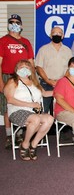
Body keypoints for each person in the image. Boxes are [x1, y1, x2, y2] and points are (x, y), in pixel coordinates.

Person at [4, 60, 54, 161]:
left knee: (49, 119)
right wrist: (30, 104)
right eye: (22, 67)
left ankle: (33, 145)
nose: (25, 69)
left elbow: (44, 94)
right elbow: (10, 99)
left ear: (31, 70)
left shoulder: (35, 82)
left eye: (27, 67)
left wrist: (61, 92)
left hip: (33, 112)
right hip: (17, 111)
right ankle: (25, 144)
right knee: (35, 119)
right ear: (16, 69)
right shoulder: (13, 81)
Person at [0, 14, 35, 149]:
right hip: (7, 77)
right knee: (7, 107)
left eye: (17, 22)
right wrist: (0, 83)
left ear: (21, 26)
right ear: (8, 24)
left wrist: (33, 81)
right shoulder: (3, 41)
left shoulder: (26, 42)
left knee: (22, 105)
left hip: (24, 78)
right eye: (11, 22)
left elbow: (31, 63)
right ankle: (9, 136)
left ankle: (19, 134)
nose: (14, 24)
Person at [35, 26, 73, 114]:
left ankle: (59, 127)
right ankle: (44, 126)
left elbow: (70, 68)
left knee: (63, 109)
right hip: (46, 83)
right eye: (54, 33)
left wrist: (62, 81)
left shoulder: (67, 50)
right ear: (50, 35)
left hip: (62, 84)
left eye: (59, 33)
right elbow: (39, 67)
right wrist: (48, 80)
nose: (57, 35)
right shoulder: (43, 49)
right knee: (43, 109)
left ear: (63, 36)